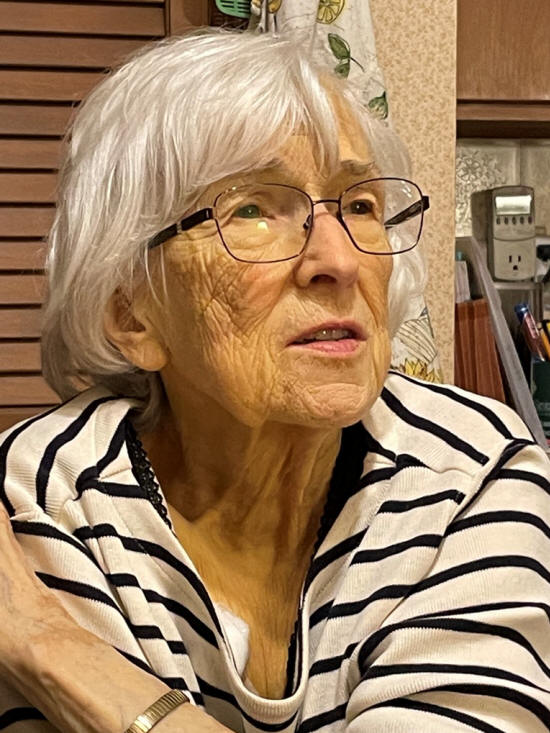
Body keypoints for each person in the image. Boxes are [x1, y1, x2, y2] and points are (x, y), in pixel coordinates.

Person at [1, 28, 550, 733]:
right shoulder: (44, 501)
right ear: (133, 312)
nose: (340, 261)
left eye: (359, 206)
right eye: (252, 209)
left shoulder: (473, 474)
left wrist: (51, 649)